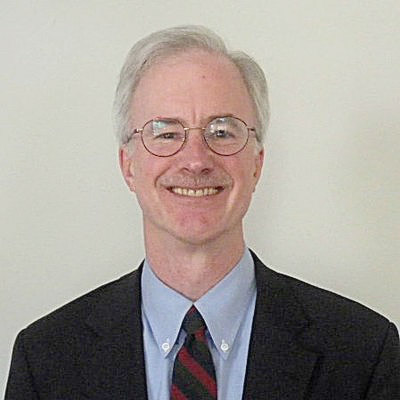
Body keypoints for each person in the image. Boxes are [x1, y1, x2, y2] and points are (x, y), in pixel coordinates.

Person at [5, 25, 399, 400]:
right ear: (128, 165)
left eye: (222, 131)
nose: (195, 160)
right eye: (167, 132)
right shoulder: (46, 360)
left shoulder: (363, 352)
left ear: (257, 163)